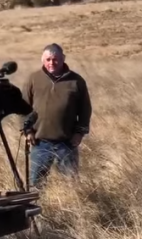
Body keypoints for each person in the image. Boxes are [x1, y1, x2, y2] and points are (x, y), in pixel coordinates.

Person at [20, 43, 91, 187]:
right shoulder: (33, 79)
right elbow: (23, 108)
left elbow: (85, 109)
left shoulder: (76, 81)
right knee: (36, 184)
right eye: (48, 59)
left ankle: (69, 208)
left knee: (70, 184)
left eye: (55, 59)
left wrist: (79, 133)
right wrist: (27, 131)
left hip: (67, 142)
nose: (51, 63)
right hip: (40, 142)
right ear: (42, 60)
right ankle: (40, 209)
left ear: (63, 58)